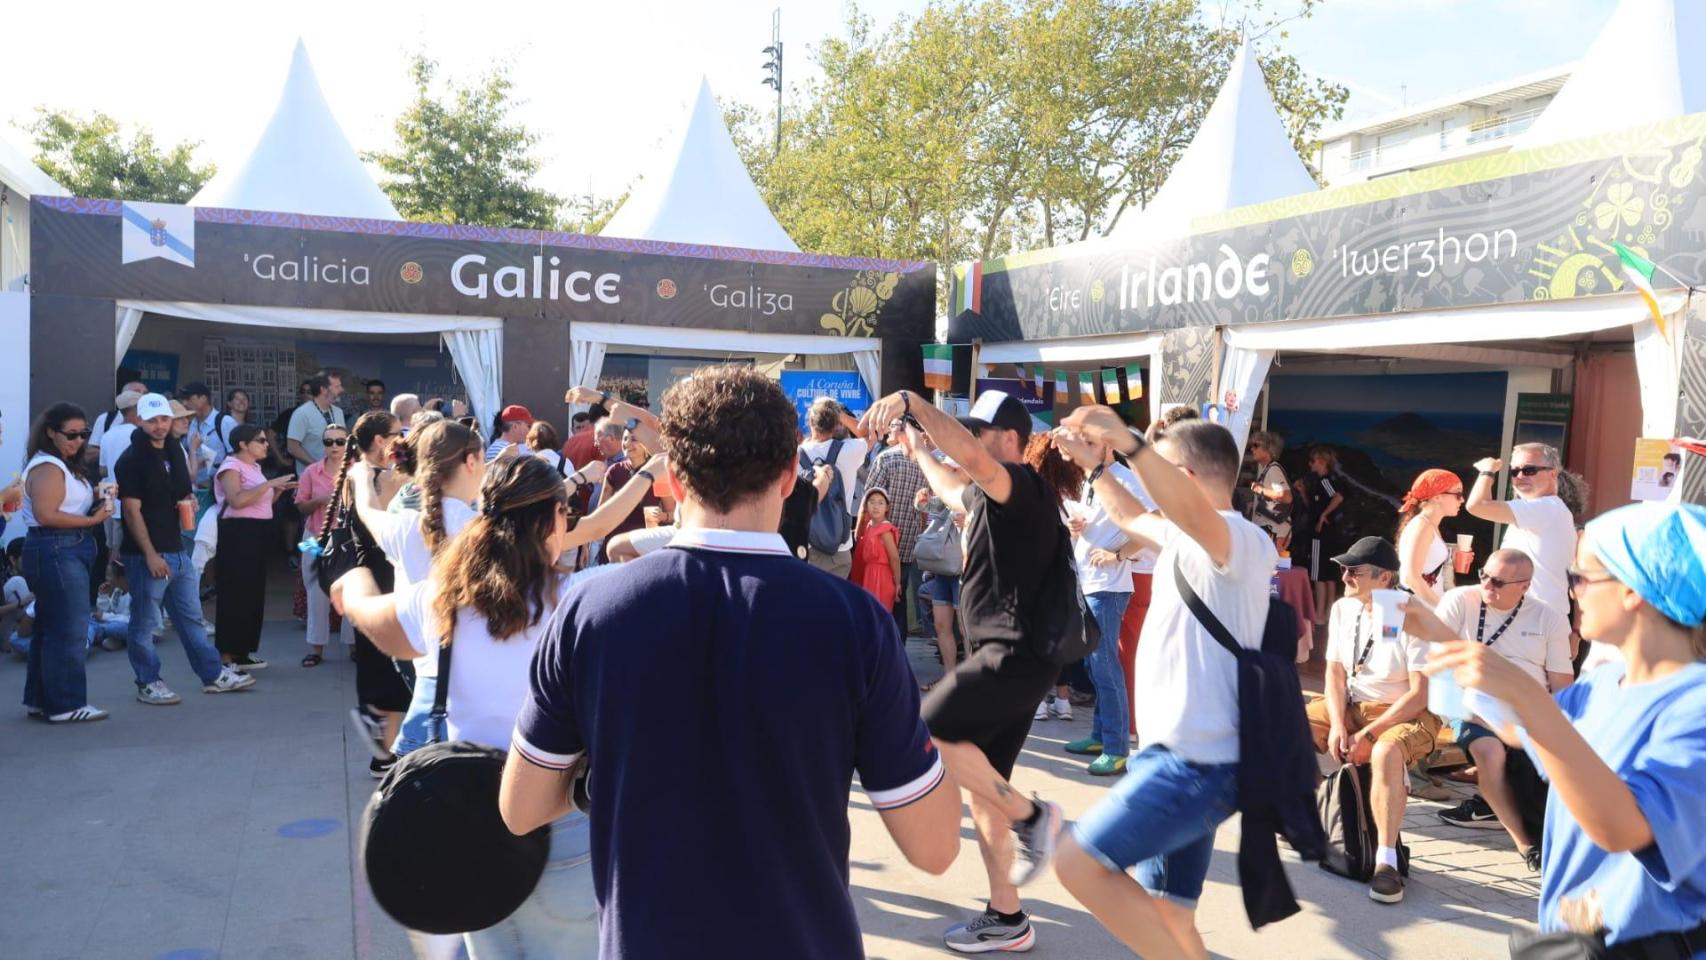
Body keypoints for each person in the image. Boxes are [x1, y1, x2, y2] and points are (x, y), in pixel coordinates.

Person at [502, 366, 958, 959]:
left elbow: (521, 809)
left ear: (673, 477)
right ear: (792, 473)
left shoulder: (591, 608)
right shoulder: (855, 624)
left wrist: (609, 774)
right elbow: (936, 847)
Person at [338, 455, 602, 960]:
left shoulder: (443, 597)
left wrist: (353, 585)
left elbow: (380, 625)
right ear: (552, 519)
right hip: (567, 824)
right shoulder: (582, 599)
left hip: (472, 827)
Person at [1421, 502, 1706, 954]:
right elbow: (1531, 737)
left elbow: (1624, 828)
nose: (1572, 590)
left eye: (1582, 576)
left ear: (1634, 589)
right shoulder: (1600, 686)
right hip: (1572, 942)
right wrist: (1481, 686)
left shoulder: (1695, 705)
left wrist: (1529, 698)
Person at [1049, 407, 1278, 960]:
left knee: (1076, 862)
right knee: (1170, 915)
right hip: (1178, 757)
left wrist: (1128, 442)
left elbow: (1168, 509)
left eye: (1163, 472)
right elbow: (1130, 517)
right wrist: (1097, 467)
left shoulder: (1242, 541)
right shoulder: (1183, 537)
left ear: (1189, 479)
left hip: (1197, 763)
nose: (1151, 486)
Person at [857, 388, 1063, 953]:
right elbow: (954, 486)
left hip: (1012, 654)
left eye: (980, 433)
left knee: (921, 725)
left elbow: (971, 464)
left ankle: (1035, 818)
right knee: (982, 789)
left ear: (1012, 441)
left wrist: (911, 402)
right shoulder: (990, 496)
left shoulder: (1020, 487)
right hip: (1004, 656)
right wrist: (917, 446)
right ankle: (1008, 916)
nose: (970, 442)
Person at [1403, 549, 1573, 871]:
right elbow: (1437, 667)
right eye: (1483, 575)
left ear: (1524, 586)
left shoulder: (1548, 617)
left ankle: (1546, 830)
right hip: (1471, 705)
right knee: (1490, 753)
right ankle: (1526, 844)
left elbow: (1563, 685)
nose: (1486, 585)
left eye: (1497, 582)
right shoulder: (1460, 601)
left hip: (1527, 710)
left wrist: (1557, 727)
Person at [1303, 536, 1439, 904]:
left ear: (1385, 578)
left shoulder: (1409, 613)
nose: (1345, 576)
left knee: (1384, 754)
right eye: (1343, 568)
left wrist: (1368, 733)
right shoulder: (1344, 609)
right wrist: (1335, 723)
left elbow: (1419, 695)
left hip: (1401, 711)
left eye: (1355, 570)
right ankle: (1322, 815)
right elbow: (1333, 672)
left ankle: (1386, 862)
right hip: (1353, 705)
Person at [115, 393, 255, 705]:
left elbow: (181, 492)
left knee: (191, 618)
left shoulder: (174, 450)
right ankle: (148, 681)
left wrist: (187, 502)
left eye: (164, 419)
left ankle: (212, 675)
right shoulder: (131, 459)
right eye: (152, 420)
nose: (160, 426)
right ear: (139, 420)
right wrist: (150, 554)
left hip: (176, 548)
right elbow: (131, 512)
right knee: (145, 622)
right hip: (147, 554)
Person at [1054, 427, 1152, 777]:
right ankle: (1101, 736)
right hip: (1089, 580)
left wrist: (1119, 555)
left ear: (1108, 445)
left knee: (1105, 663)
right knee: (1097, 664)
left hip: (1109, 586)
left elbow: (1152, 524)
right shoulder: (1092, 479)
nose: (1085, 449)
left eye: (1091, 443)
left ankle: (1116, 746)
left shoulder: (1127, 479)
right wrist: (1076, 528)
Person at [329, 411, 414, 774]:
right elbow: (383, 524)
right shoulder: (379, 477)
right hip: (387, 573)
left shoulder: (354, 473)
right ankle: (383, 740)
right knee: (395, 661)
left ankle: (384, 749)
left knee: (380, 659)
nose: (404, 438)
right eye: (399, 433)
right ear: (381, 441)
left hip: (365, 573)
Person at [18, 403, 112, 722]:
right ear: (50, 433)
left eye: (83, 434)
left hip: (61, 548)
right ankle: (65, 704)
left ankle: (41, 700)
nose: (78, 440)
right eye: (71, 434)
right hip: (57, 547)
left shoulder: (62, 464)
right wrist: (92, 521)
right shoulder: (48, 467)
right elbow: (47, 514)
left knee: (50, 627)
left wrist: (96, 499)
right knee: (69, 629)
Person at [1466, 443, 1586, 655]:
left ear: (1552, 473)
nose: (1520, 476)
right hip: (1531, 622)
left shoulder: (1545, 508)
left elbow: (1477, 505)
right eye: (1514, 471)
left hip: (1533, 623)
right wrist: (1576, 632)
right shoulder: (1545, 511)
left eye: (1529, 470)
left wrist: (1487, 471)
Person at [213, 424, 297, 671]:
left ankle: (243, 651)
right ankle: (227, 655)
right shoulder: (231, 466)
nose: (266, 444)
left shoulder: (255, 467)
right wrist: (268, 485)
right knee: (235, 592)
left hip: (257, 532)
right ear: (243, 444)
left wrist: (277, 490)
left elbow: (260, 503)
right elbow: (236, 500)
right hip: (238, 533)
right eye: (260, 440)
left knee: (253, 592)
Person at [1023, 430, 1085, 723]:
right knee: (1060, 641)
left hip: (1036, 578)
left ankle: (1039, 702)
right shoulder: (1075, 493)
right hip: (1069, 577)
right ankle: (1063, 702)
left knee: (1036, 642)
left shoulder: (1032, 492)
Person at [865, 426, 933, 638]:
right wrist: (920, 535)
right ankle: (898, 649)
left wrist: (859, 535)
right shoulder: (923, 463)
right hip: (907, 543)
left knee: (876, 603)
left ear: (905, 431)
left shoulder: (885, 459)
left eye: (893, 426)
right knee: (899, 599)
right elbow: (923, 506)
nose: (888, 430)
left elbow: (868, 500)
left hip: (879, 548)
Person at [295, 422, 353, 666]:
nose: (334, 446)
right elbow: (300, 507)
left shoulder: (357, 471)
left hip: (347, 539)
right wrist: (321, 499)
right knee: (315, 591)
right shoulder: (311, 472)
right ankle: (315, 648)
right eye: (329, 441)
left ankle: (354, 646)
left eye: (340, 441)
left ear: (348, 443)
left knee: (351, 593)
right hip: (313, 537)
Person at [798, 398, 870, 577]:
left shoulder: (796, 455)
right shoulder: (849, 450)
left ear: (810, 422)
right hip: (840, 548)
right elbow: (869, 435)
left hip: (808, 546)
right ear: (836, 423)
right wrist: (842, 416)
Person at [1397, 467, 1464, 609]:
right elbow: (1412, 577)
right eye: (1458, 494)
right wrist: (1443, 609)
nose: (1462, 499)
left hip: (1425, 607)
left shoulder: (1428, 525)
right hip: (1421, 610)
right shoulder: (1423, 526)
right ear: (1437, 496)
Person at [1300, 446, 1349, 620]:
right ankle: (1327, 612)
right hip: (1327, 532)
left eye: (1312, 461)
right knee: (1328, 574)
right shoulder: (1319, 482)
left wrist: (1324, 515)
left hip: (1321, 533)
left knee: (1319, 574)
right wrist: (1303, 492)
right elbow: (1313, 507)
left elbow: (1338, 497)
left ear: (1321, 462)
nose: (1310, 464)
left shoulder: (1325, 481)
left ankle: (1320, 613)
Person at [179, 382, 235, 514]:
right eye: (183, 399)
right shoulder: (189, 423)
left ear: (203, 398)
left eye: (188, 398)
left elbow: (236, 457)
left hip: (221, 492)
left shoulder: (225, 422)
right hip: (195, 492)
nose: (184, 403)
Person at [286, 375, 347, 476]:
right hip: (312, 481)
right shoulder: (302, 413)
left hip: (336, 478)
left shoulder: (338, 412)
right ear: (323, 389)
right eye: (337, 386)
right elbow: (292, 447)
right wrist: (319, 467)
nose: (341, 389)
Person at [850, 487, 900, 608]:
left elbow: (894, 558)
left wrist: (897, 583)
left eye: (880, 502)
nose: (876, 506)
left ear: (887, 508)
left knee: (880, 613)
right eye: (871, 502)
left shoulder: (885, 530)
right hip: (869, 575)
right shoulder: (869, 526)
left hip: (882, 577)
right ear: (866, 506)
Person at [1247, 430, 1294, 553]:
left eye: (1256, 445)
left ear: (1269, 448)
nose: (1252, 449)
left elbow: (1286, 497)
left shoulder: (1273, 470)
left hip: (1274, 532)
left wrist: (1260, 490)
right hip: (1271, 531)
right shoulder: (1268, 470)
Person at [561, 407, 604, 472]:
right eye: (578, 428)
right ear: (572, 430)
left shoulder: (567, 445)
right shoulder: (564, 448)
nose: (582, 430)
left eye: (584, 427)